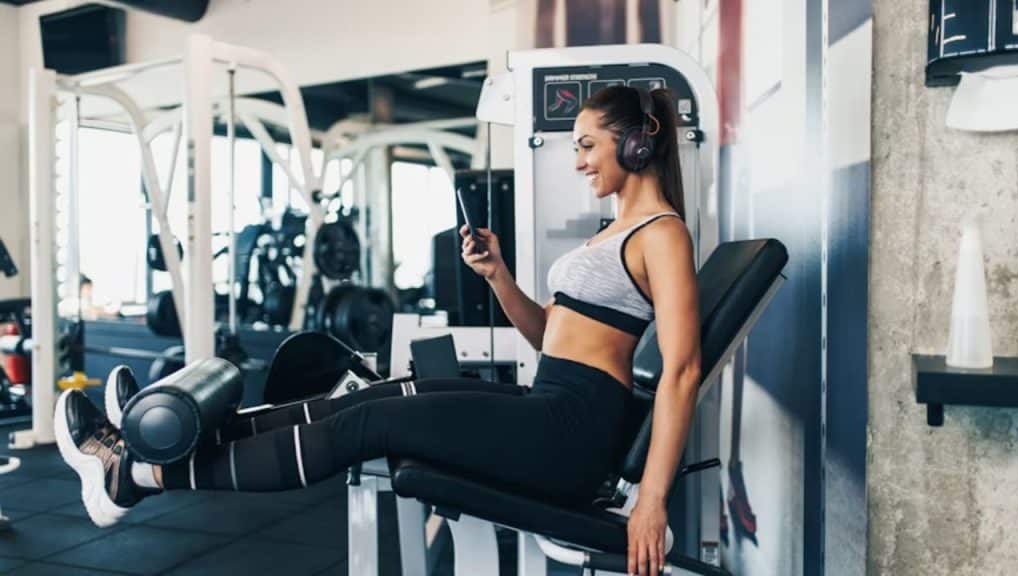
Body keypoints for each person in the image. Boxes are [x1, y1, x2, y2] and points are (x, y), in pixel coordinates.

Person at [55, 86, 701, 576]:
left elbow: (682, 370)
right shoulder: (613, 233)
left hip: (569, 435)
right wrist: (499, 275)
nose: (580, 160)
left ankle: (135, 475)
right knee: (370, 398)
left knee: (366, 428)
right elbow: (551, 338)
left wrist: (651, 498)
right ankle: (157, 444)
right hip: (551, 403)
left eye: (588, 144)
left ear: (635, 145)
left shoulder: (662, 234)